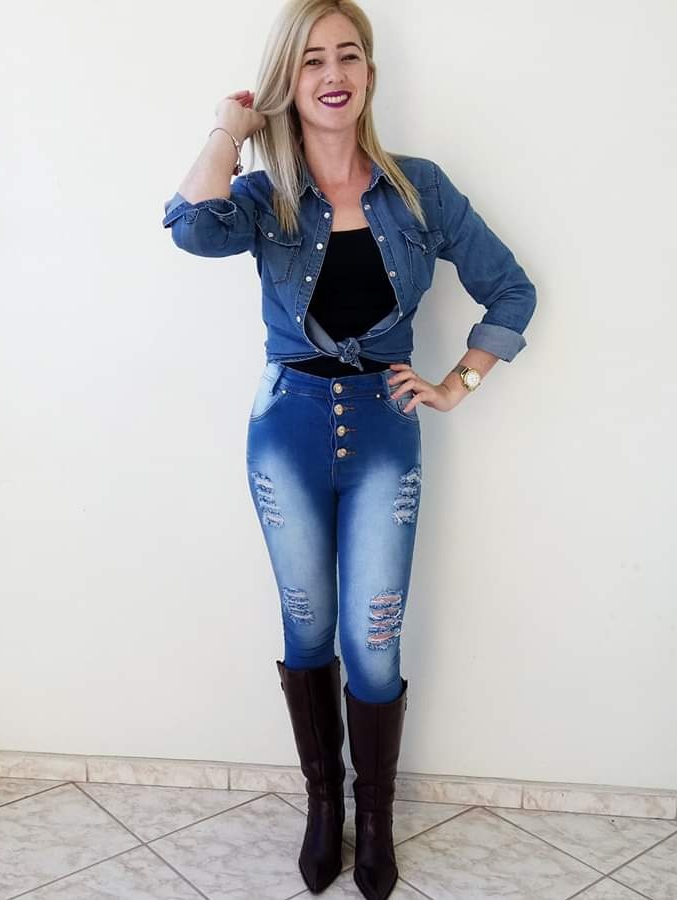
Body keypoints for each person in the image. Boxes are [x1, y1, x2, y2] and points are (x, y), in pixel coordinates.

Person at [162, 1, 537, 896]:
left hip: (384, 434)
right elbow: (190, 226)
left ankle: (374, 816)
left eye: (348, 56)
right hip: (285, 433)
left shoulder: (419, 188)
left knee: (374, 638)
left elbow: (512, 291)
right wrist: (229, 129)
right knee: (307, 626)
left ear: (369, 71)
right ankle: (322, 805)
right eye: (312, 61)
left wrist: (458, 382)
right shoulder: (263, 197)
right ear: (288, 81)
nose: (333, 75)